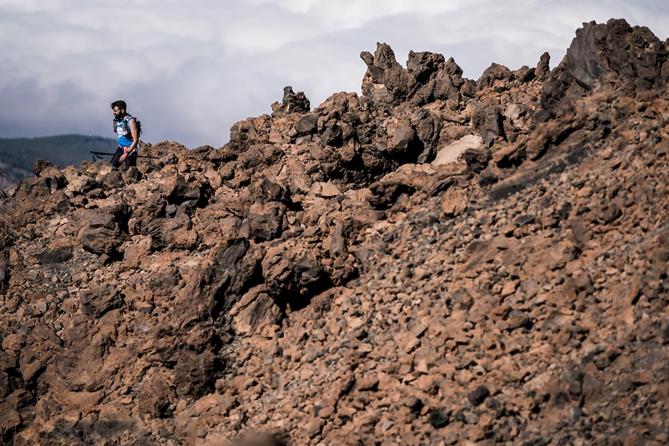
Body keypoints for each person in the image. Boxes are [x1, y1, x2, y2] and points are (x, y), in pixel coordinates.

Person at [110, 100, 140, 168]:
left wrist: (127, 153)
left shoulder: (131, 121)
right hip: (120, 148)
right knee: (111, 168)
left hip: (130, 150)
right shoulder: (118, 120)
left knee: (130, 172)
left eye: (116, 111)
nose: (114, 113)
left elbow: (136, 140)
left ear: (122, 110)